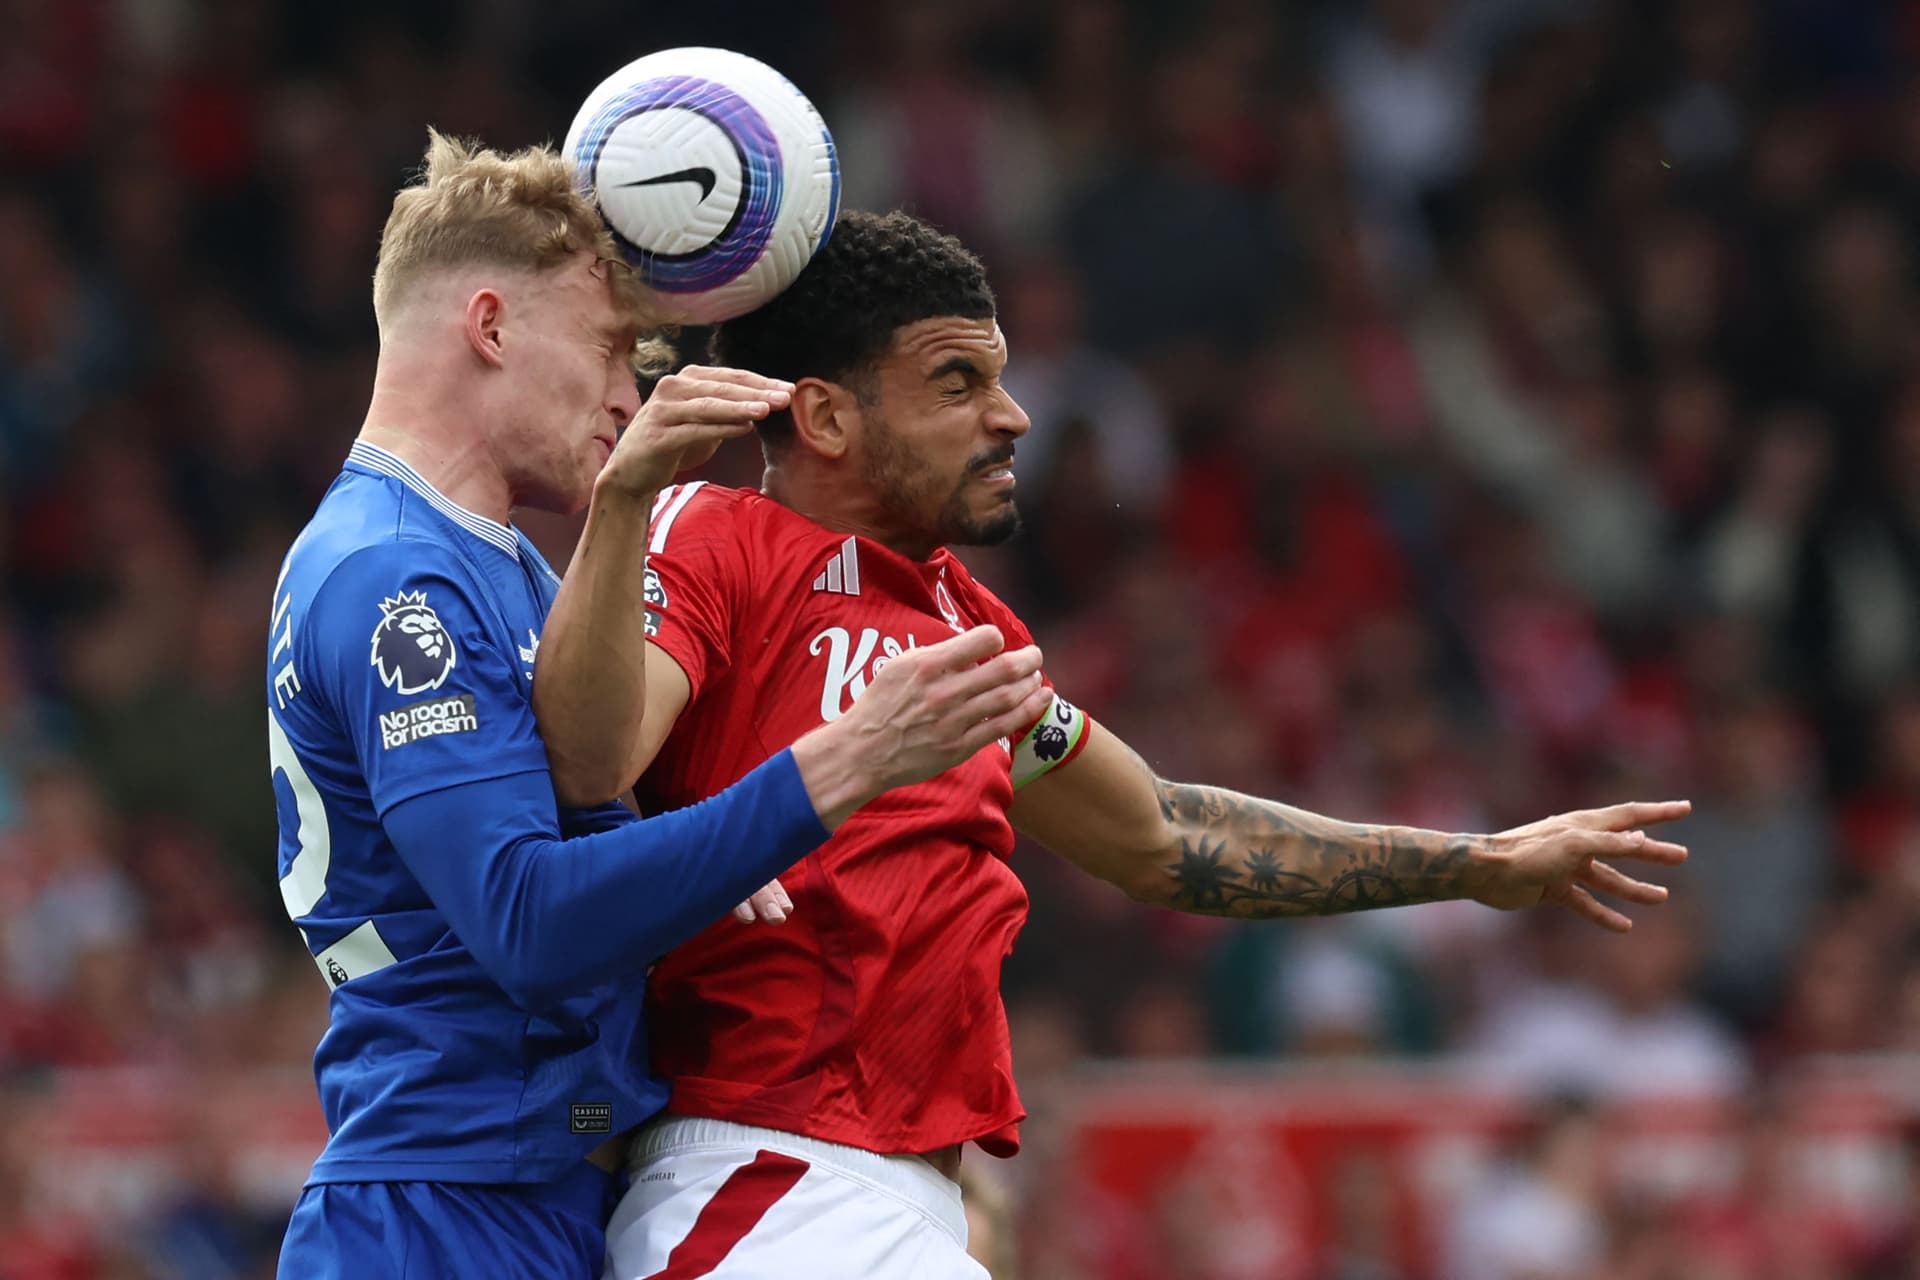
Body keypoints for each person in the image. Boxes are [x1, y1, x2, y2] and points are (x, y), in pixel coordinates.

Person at [531, 210, 1692, 1279]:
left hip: (902, 1200)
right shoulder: (721, 534)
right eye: (957, 380)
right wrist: (627, 501)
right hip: (766, 1178)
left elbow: (1162, 832)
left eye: (997, 375)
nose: (1012, 412)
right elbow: (590, 760)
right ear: (827, 415)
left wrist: (1476, 866)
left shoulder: (969, 629)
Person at [268, 140, 1052, 1280]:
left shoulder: (502, 569)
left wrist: (681, 859)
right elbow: (528, 919)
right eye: (606, 349)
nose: (630, 394)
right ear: (489, 326)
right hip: (438, 1209)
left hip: (534, 1194)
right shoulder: (398, 580)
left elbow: (570, 843)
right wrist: (828, 772)